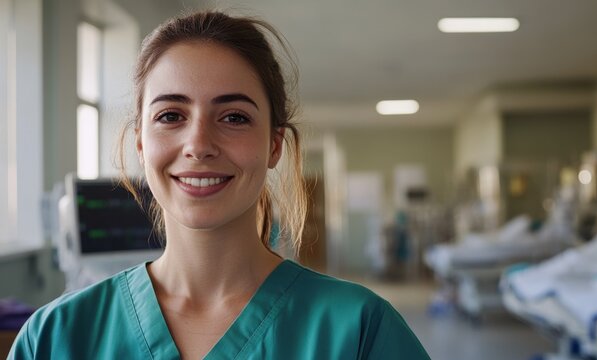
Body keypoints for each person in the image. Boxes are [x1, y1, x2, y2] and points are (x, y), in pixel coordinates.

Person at [9, 10, 430, 359]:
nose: (198, 145)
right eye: (171, 115)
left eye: (234, 117)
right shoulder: (54, 338)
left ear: (274, 146)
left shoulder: (358, 333)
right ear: (140, 143)